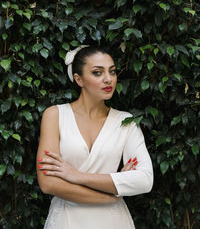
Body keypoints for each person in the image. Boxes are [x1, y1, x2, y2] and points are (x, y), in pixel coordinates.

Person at [36, 45, 153, 229]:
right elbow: (48, 183)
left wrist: (77, 176)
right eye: (97, 73)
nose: (108, 79)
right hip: (66, 221)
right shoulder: (55, 115)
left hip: (113, 222)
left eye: (112, 72)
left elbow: (145, 180)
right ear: (79, 79)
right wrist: (113, 194)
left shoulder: (126, 121)